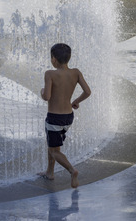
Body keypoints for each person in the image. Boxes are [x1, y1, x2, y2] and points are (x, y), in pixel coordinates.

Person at [38, 43, 91, 188]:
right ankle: (50, 172)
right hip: (68, 117)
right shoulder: (76, 72)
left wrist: (42, 91)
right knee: (53, 145)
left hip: (54, 117)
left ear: (53, 59)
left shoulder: (50, 74)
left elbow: (47, 97)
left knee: (54, 151)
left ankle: (72, 170)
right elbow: (87, 91)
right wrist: (76, 101)